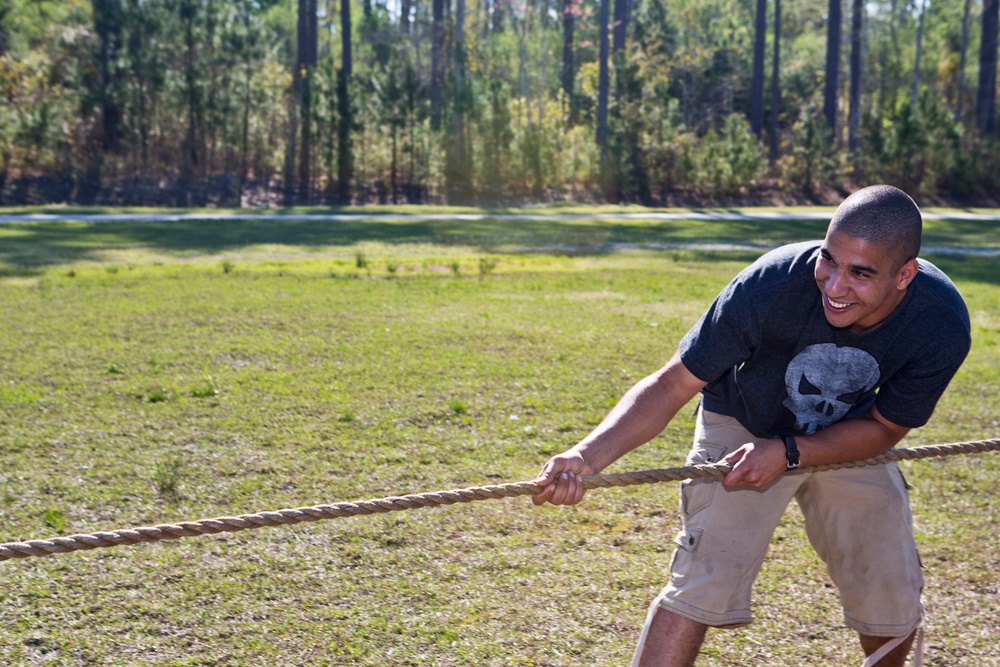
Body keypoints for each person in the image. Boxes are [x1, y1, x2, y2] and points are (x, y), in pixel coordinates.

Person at [531, 185, 971, 667]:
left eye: (860, 273)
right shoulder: (770, 286)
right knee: (704, 577)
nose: (834, 286)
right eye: (829, 260)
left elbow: (886, 428)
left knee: (890, 585)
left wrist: (790, 452)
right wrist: (585, 456)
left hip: (848, 431)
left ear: (905, 274)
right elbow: (672, 384)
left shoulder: (940, 322)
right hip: (741, 421)